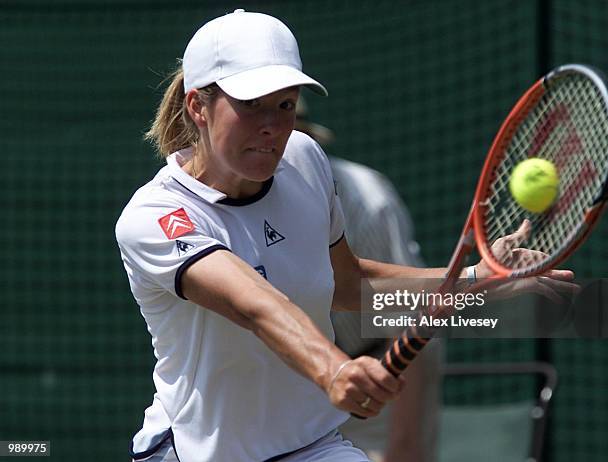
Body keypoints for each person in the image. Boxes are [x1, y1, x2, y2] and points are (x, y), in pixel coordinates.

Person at [115, 9, 576, 462]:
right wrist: (333, 369)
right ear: (198, 106)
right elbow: (257, 305)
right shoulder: (156, 216)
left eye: (285, 104)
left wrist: (476, 280)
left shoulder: (305, 160)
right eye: (250, 105)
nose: (272, 126)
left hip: (310, 445)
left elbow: (348, 284)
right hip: (197, 453)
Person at [295, 96, 442, 462]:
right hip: (301, 381)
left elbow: (409, 325)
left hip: (386, 369)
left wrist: (403, 446)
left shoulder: (368, 202)